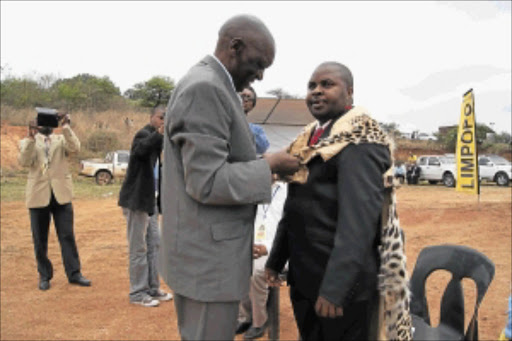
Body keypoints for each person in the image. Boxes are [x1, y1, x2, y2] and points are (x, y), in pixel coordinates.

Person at [159, 14, 300, 341]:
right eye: (259, 63)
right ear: (234, 47)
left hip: (206, 253)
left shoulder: (212, 84)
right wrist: (269, 166)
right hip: (207, 264)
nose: (261, 75)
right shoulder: (205, 89)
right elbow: (206, 181)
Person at [265, 62, 412, 340]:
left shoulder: (360, 143)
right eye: (312, 86)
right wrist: (276, 259)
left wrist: (336, 289)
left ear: (350, 92)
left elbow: (358, 225)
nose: (317, 92)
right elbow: (294, 206)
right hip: (306, 277)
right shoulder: (310, 139)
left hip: (341, 289)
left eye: (327, 84)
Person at [18, 109, 91, 291]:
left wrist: (66, 126)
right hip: (38, 195)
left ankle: (74, 274)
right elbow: (24, 162)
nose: (45, 125)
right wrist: (30, 136)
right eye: (41, 121)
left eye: (49, 121)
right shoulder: (28, 141)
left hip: (61, 195)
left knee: (67, 236)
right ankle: (44, 275)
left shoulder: (61, 140)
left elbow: (75, 148)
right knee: (39, 238)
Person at [118, 106, 173, 307]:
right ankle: (137, 293)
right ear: (152, 118)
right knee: (138, 248)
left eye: (166, 118)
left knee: (154, 245)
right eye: (160, 117)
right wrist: (159, 134)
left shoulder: (160, 139)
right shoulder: (143, 134)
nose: (163, 121)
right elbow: (141, 151)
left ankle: (152, 288)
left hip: (151, 201)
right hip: (136, 201)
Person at [236, 178, 287, 339]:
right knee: (237, 263)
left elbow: (290, 229)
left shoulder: (288, 191)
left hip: (281, 251)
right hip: (256, 245)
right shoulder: (256, 191)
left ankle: (259, 322)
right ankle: (245, 317)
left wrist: (268, 248)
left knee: (258, 271)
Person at [240, 86, 270, 155]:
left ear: (252, 105)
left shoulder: (257, 130)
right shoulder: (224, 122)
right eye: (242, 96)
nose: (245, 100)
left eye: (249, 97)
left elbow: (263, 148)